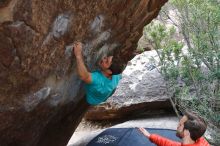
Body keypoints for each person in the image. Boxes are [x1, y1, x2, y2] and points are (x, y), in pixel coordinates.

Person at [73, 41, 122, 105]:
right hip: (102, 97)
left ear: (109, 71)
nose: (104, 58)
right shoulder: (116, 76)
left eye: (106, 61)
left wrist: (78, 55)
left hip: (91, 101)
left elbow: (84, 76)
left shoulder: (98, 80)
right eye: (107, 57)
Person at [138, 111, 210, 146]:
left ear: (186, 132)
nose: (178, 125)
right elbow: (171, 144)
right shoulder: (201, 141)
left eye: (180, 124)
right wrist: (150, 136)